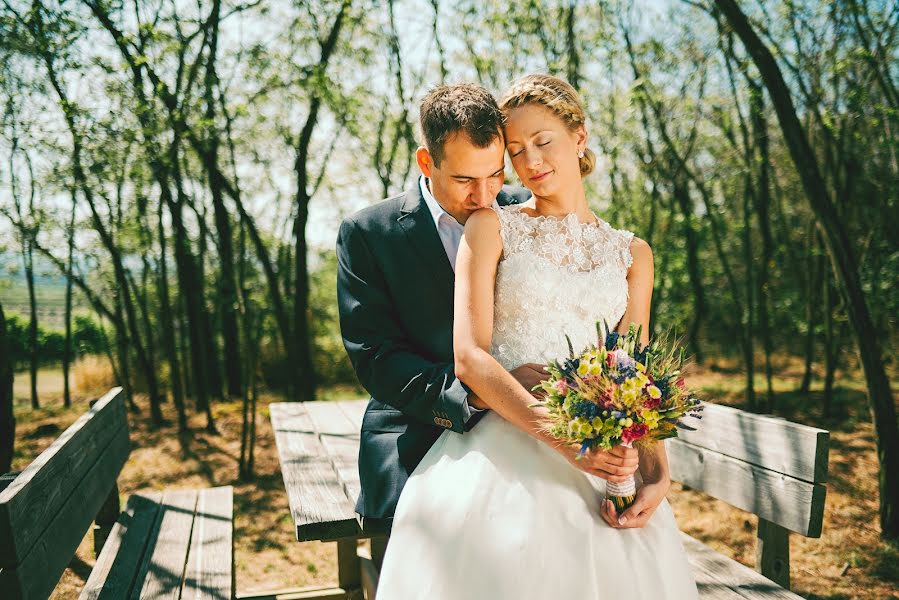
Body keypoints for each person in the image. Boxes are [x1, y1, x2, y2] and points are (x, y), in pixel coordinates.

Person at [376, 74, 699, 598]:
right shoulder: (493, 227)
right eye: (517, 151)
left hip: (602, 458)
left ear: (579, 136)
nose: (530, 163)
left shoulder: (632, 254)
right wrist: (569, 444)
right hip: (505, 438)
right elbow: (470, 358)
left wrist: (657, 473)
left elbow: (634, 375)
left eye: (543, 141)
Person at [336, 82, 638, 528]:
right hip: (419, 429)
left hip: (548, 422)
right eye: (464, 179)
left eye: (496, 173)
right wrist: (480, 392)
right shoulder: (368, 233)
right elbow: (377, 359)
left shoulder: (523, 215)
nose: (484, 196)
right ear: (427, 161)